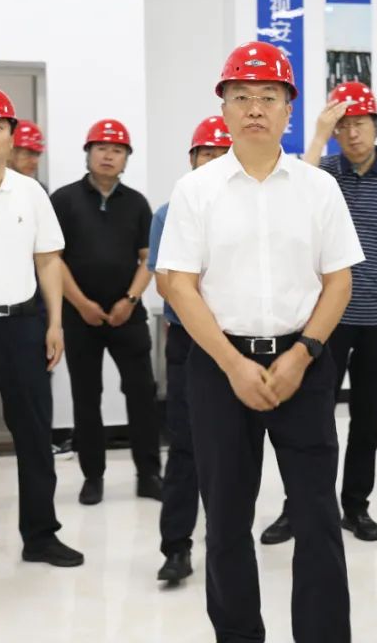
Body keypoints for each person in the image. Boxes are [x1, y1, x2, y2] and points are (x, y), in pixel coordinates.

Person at [156, 40, 363, 642]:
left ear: (288, 109)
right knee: (226, 519)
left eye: (268, 97)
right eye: (241, 96)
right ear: (223, 107)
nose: (254, 108)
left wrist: (304, 353)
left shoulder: (318, 188)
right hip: (219, 368)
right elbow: (178, 285)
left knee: (318, 516)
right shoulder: (196, 189)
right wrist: (232, 364)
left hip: (305, 362)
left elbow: (340, 280)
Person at [260, 82, 377, 545]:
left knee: (367, 421)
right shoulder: (322, 172)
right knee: (310, 419)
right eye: (344, 126)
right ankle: (299, 507)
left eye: (361, 124)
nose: (353, 133)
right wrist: (318, 135)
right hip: (324, 318)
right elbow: (289, 197)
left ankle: (356, 506)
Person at [0, 86, 83, 587]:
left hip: (22, 327)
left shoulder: (31, 192)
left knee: (35, 438)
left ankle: (40, 535)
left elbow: (48, 260)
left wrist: (54, 322)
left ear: (12, 136)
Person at [50, 119, 161, 505]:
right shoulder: (64, 200)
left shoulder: (137, 203)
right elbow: (53, 259)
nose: (109, 155)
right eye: (101, 148)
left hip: (126, 315)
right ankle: (92, 476)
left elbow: (148, 258)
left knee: (141, 394)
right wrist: (82, 304)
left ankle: (149, 474)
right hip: (79, 317)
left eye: (117, 150)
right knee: (86, 396)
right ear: (88, 153)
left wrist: (129, 300)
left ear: (126, 158)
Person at [148, 115, 232, 585]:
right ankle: (176, 546)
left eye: (221, 154)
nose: (212, 161)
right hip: (188, 342)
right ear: (192, 159)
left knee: (233, 450)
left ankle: (226, 539)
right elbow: (167, 283)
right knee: (185, 447)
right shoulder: (168, 213)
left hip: (240, 342)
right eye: (206, 153)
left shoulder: (249, 210)